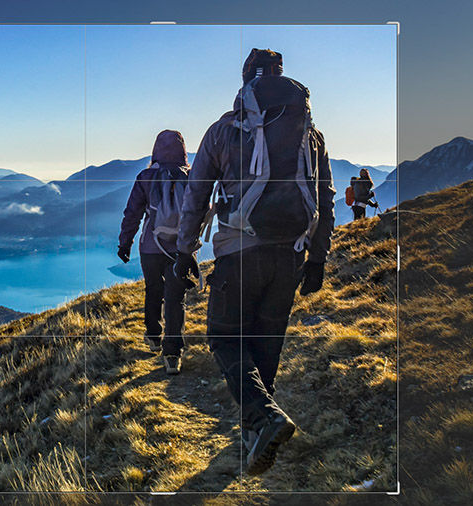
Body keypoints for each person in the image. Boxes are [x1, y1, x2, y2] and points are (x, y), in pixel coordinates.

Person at [173, 49, 335, 475]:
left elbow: (196, 195)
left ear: (245, 81)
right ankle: (257, 438)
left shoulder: (225, 130)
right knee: (265, 346)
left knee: (226, 338)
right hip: (291, 254)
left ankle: (264, 421)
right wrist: (317, 257)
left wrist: (186, 249)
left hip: (239, 253)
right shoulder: (310, 135)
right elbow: (326, 196)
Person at [118, 129, 189, 375]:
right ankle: (173, 354)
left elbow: (133, 213)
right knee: (175, 298)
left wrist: (124, 243)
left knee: (153, 290)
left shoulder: (146, 177)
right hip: (181, 247)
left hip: (151, 246)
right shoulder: (190, 178)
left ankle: (153, 336)